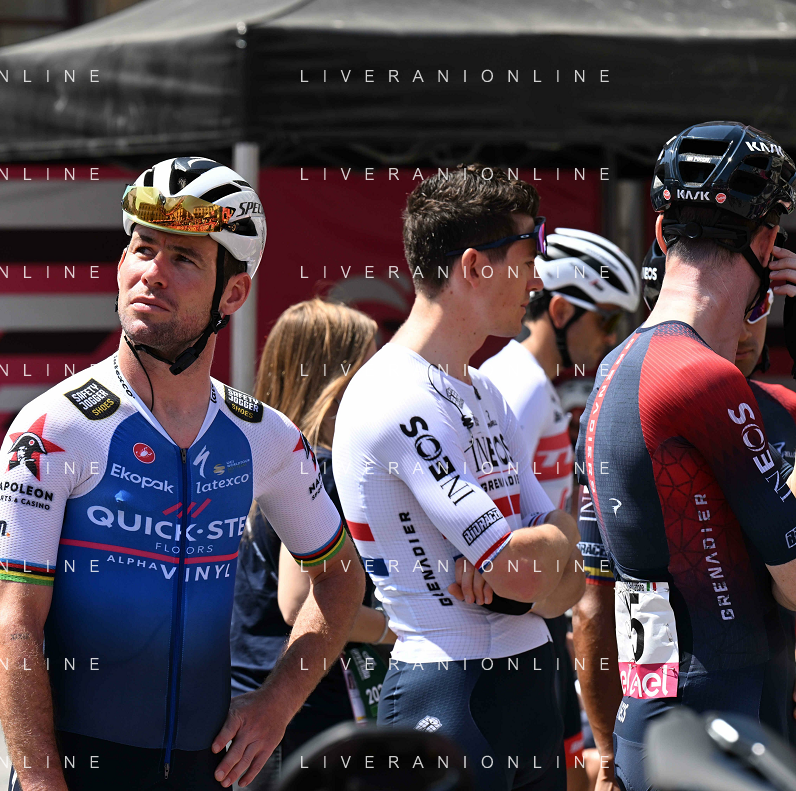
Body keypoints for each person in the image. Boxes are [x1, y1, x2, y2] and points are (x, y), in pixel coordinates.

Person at [0, 156, 365, 791]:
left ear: (233, 294)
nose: (152, 272)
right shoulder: (53, 428)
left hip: (205, 770)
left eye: (184, 258)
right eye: (142, 248)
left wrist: (276, 705)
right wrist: (43, 782)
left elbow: (340, 578)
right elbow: (12, 623)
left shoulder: (266, 437)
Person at [333, 164, 585, 791]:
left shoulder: (485, 390)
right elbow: (522, 572)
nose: (536, 279)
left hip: (529, 685)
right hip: (447, 691)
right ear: (475, 267)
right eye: (526, 260)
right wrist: (551, 545)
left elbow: (569, 585)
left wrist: (546, 551)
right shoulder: (395, 394)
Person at [573, 121, 796, 791]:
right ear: (767, 244)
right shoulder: (703, 380)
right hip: (725, 729)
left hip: (655, 722)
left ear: (662, 233)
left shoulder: (615, 367)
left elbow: (595, 595)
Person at [480, 228, 641, 790]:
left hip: (540, 618)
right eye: (606, 320)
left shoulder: (531, 382)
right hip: (518, 627)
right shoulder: (515, 387)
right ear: (562, 310)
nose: (611, 338)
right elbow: (492, 524)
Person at [229, 298, 391, 788]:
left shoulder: (260, 460)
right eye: (370, 365)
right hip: (298, 717)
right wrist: (406, 631)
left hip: (256, 706)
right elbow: (300, 601)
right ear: (337, 377)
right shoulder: (318, 469)